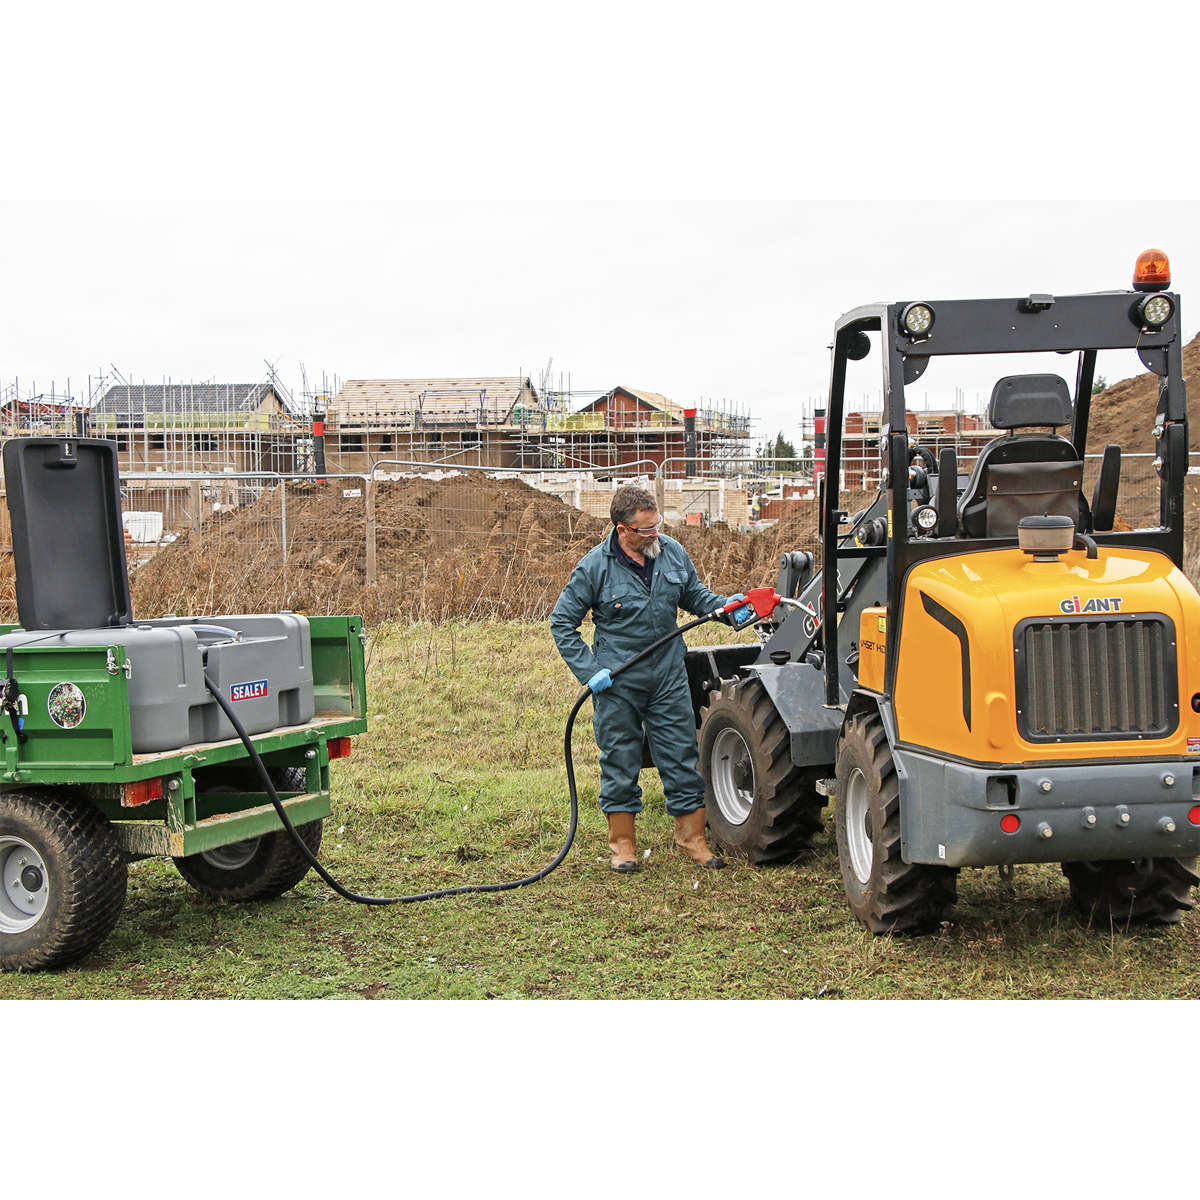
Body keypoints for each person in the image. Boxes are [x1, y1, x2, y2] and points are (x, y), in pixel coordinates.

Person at [551, 485, 744, 873]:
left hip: (668, 676)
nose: (656, 534)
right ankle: (623, 845)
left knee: (681, 756)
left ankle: (692, 839)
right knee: (620, 760)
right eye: (646, 529)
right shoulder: (594, 567)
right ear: (622, 529)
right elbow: (562, 623)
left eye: (658, 525)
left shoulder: (671, 552)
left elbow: (695, 596)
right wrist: (590, 671)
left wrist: (727, 607)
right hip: (618, 682)